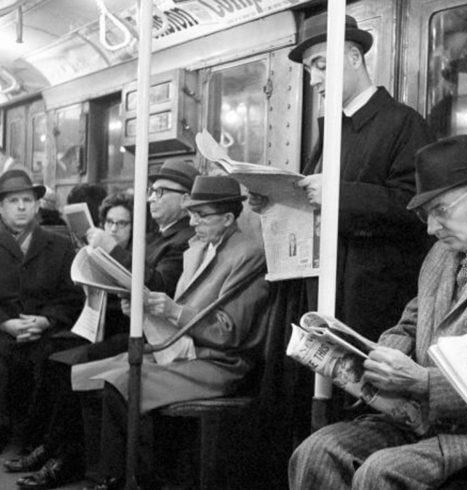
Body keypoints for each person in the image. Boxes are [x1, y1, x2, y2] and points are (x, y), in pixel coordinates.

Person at [288, 134, 467, 489]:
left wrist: (422, 382)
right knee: (316, 451)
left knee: (380, 473)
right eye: (425, 215)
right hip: (419, 419)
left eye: (441, 211)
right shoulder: (441, 256)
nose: (432, 228)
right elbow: (411, 323)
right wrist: (375, 356)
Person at [4, 161, 200, 488]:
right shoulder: (157, 239)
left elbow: (158, 284)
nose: (152, 198)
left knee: (73, 363)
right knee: (58, 359)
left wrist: (111, 252)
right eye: (150, 191)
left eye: (161, 191)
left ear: (185, 200)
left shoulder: (180, 241)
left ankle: (70, 460)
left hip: (156, 338)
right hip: (133, 326)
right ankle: (56, 450)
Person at [73, 176, 269, 490]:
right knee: (90, 376)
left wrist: (172, 311)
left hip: (217, 362)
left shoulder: (248, 254)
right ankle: (108, 475)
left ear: (229, 218)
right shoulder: (200, 247)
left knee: (121, 382)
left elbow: (229, 333)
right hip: (184, 350)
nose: (194, 223)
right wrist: (143, 310)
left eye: (202, 216)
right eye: (191, 214)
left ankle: (134, 479)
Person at [277, 12, 435, 342]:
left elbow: (416, 207)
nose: (313, 80)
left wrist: (337, 194)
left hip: (374, 299)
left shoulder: (403, 123)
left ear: (353, 57)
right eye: (309, 70)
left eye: (320, 64)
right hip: (327, 288)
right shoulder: (332, 129)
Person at [0, 169, 82, 452]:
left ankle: (35, 441)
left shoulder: (59, 245)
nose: (21, 206)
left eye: (26, 200)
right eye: (13, 201)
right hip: (3, 329)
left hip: (45, 332)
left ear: (37, 206)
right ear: (1, 207)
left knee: (50, 357)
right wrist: (5, 323)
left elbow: (72, 297)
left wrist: (45, 320)